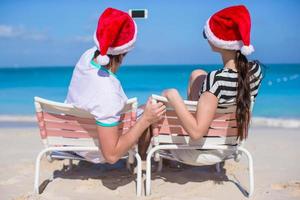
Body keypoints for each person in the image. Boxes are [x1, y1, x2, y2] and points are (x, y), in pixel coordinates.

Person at [162, 5, 263, 166]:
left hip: (200, 151)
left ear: (221, 42)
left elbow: (196, 133)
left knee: (166, 103)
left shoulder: (216, 80)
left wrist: (173, 97)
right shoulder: (255, 70)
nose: (206, 38)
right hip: (229, 146)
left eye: (207, 34)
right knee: (197, 74)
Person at [66, 8, 166, 164]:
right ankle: (143, 159)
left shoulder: (86, 58)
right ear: (123, 53)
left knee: (143, 108)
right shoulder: (108, 92)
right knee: (151, 111)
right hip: (94, 151)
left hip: (73, 138)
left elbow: (107, 38)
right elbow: (111, 156)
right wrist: (146, 119)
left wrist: (121, 22)